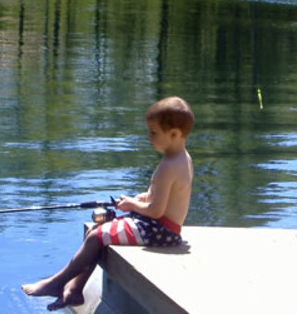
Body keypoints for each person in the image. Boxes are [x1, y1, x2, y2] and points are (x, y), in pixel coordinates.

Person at [21, 96, 194, 310]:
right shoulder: (181, 158)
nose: (149, 137)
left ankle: (57, 283)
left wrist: (131, 205)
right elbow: (163, 197)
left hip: (160, 231)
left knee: (96, 235)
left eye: (154, 132)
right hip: (162, 227)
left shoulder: (169, 165)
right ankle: (74, 290)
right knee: (96, 230)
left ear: (174, 134)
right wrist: (140, 198)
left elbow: (157, 211)